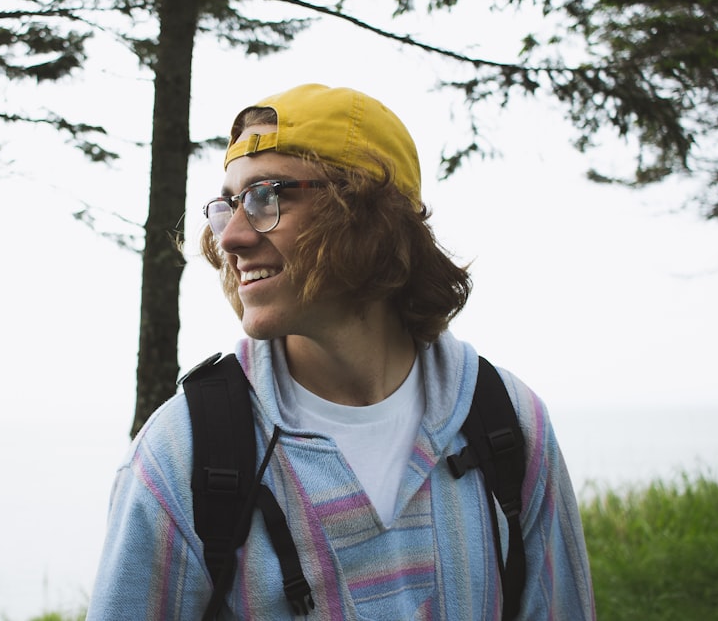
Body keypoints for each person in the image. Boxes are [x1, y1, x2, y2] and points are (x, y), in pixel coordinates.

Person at [88, 83, 596, 620]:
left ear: (371, 216)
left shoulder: (507, 424)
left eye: (266, 196)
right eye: (227, 206)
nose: (230, 238)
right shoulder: (182, 454)